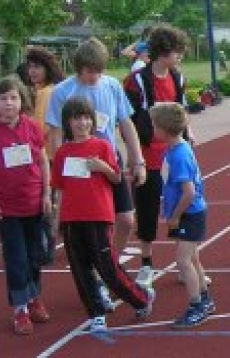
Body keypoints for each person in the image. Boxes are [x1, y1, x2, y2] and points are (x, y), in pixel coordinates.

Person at [46, 38, 145, 310]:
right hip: (77, 166)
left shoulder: (112, 86)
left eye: (98, 71)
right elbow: (54, 133)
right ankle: (98, 276)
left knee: (125, 220)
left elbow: (126, 123)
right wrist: (60, 169)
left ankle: (108, 267)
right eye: (89, 71)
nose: (94, 76)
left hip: (107, 160)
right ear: (79, 68)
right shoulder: (62, 91)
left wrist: (138, 161)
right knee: (82, 229)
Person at [51, 98, 155, 333]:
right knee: (80, 270)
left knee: (107, 267)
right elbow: (59, 188)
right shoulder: (63, 153)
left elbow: (117, 179)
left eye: (86, 117)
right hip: (71, 219)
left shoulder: (102, 146)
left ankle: (140, 298)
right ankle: (96, 313)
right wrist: (57, 219)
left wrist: (103, 168)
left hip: (98, 216)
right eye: (76, 118)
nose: (82, 123)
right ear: (68, 122)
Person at [0, 77, 51, 335]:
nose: (9, 103)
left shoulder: (32, 127)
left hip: (34, 203)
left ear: (21, 101)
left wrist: (47, 193)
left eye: (14, 98)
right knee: (16, 259)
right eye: (4, 98)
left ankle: (34, 297)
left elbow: (43, 162)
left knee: (35, 256)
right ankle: (20, 310)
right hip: (5, 208)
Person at [123, 25, 192, 286]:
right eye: (178, 52)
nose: (181, 57)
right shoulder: (137, 80)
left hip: (175, 153)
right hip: (148, 154)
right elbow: (127, 119)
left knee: (182, 206)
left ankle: (185, 262)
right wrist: (133, 153)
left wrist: (189, 134)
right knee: (147, 207)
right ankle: (146, 263)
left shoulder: (178, 78)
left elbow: (181, 112)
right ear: (164, 52)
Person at [150, 102, 215, 328]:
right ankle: (205, 299)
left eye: (154, 125)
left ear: (164, 129)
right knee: (193, 257)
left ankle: (196, 304)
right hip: (187, 212)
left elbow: (189, 192)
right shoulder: (177, 148)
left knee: (183, 260)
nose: (152, 129)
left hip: (189, 213)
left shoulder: (178, 155)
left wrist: (175, 216)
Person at [24, 46, 66, 159]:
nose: (32, 71)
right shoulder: (57, 88)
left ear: (48, 69)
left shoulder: (45, 93)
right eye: (30, 67)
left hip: (46, 155)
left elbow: (41, 129)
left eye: (37, 67)